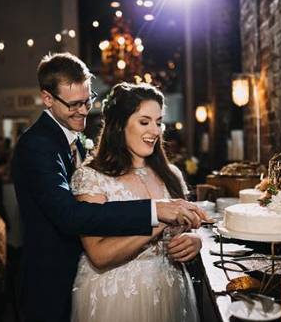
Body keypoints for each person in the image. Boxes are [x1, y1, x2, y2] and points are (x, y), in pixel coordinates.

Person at [11, 52, 206, 322]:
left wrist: (194, 240)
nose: (84, 110)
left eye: (87, 100)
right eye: (74, 104)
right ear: (47, 98)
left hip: (166, 288)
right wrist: (155, 214)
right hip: (55, 279)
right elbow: (70, 217)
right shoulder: (37, 145)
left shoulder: (76, 139)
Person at [70, 82, 201, 322]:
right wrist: (159, 221)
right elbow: (98, 255)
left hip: (170, 290)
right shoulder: (92, 178)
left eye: (159, 122)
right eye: (144, 121)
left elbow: (187, 229)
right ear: (119, 126)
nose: (156, 130)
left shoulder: (171, 174)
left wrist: (194, 242)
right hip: (118, 297)